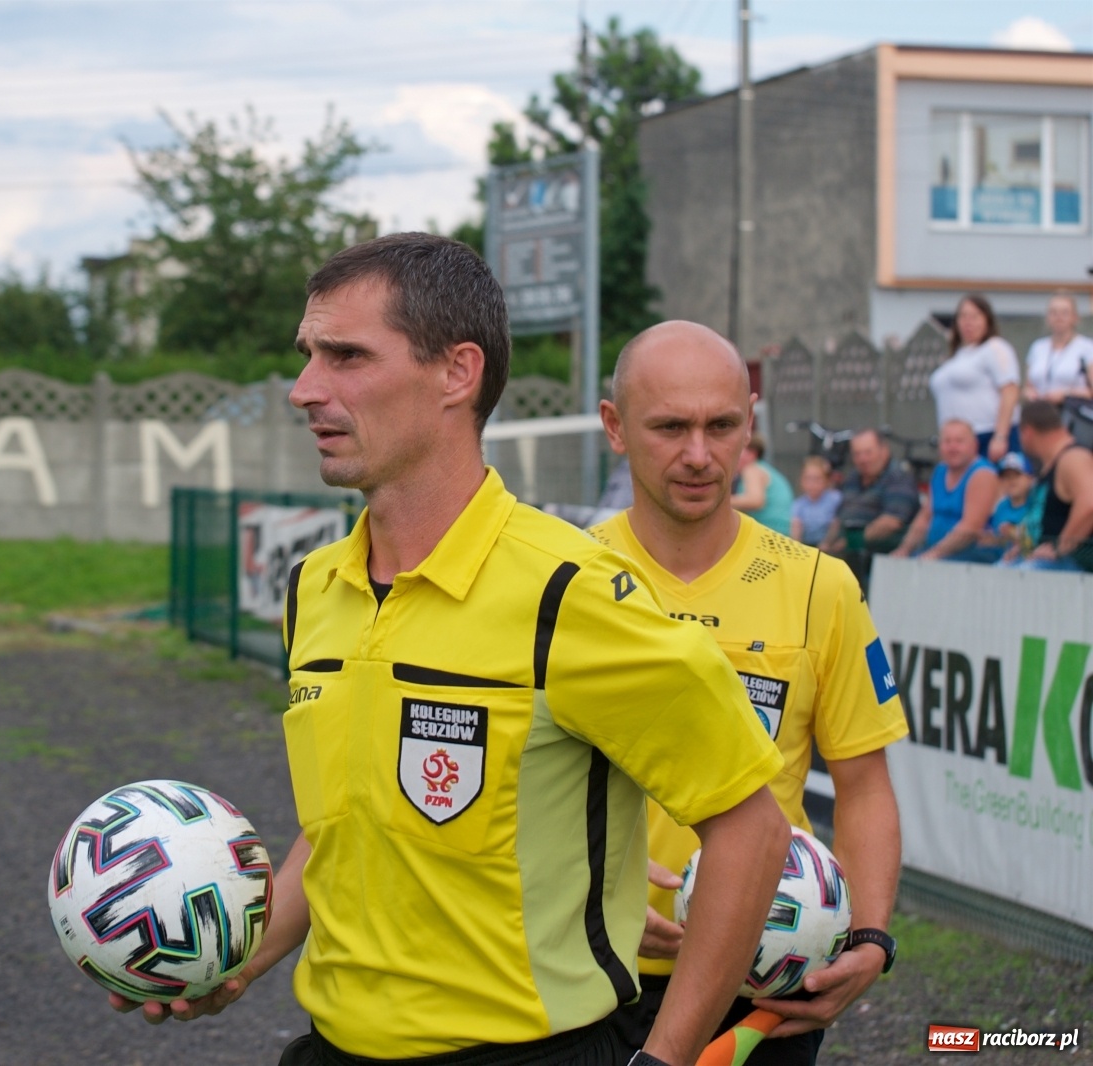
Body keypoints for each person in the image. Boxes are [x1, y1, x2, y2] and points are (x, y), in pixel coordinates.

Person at [112, 234, 793, 1066]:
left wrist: (667, 1057)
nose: (305, 389)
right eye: (308, 356)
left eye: (346, 356)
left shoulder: (568, 592)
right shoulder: (315, 589)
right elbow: (337, 831)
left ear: (457, 373)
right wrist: (239, 962)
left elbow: (752, 831)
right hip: (332, 1049)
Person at [590, 321, 908, 1066]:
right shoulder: (565, 577)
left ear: (750, 424)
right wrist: (582, 895)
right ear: (616, 427)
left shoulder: (820, 587)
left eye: (722, 426)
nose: (700, 455)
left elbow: (864, 785)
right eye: (670, 427)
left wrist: (870, 937)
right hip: (590, 974)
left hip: (762, 988)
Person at [819, 430, 921, 587]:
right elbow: (840, 517)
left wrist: (848, 543)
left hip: (879, 562)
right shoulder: (853, 478)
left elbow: (891, 522)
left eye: (868, 452)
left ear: (884, 451)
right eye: (857, 454)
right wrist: (826, 544)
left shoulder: (898, 478)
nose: (862, 459)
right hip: (844, 555)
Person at [929, 293, 1019, 465]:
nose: (968, 322)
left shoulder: (994, 347)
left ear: (987, 320)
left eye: (975, 317)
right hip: (956, 441)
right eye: (963, 316)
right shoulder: (958, 356)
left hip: (986, 434)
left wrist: (1000, 436)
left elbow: (1009, 390)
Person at [891, 421, 999, 563]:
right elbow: (925, 517)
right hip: (937, 551)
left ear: (974, 445)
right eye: (947, 441)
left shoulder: (982, 474)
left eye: (959, 441)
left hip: (972, 553)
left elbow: (971, 527)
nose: (952, 447)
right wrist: (904, 549)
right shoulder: (940, 470)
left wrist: (935, 553)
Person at [1012, 400, 1093, 572]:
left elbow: (1089, 504)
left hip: (1074, 565)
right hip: (1042, 560)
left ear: (1027, 432)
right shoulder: (1050, 463)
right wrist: (1022, 549)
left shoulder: (1073, 458)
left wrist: (1060, 548)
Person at [1022, 292, 1093, 407]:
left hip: (1072, 411)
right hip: (1042, 410)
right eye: (1053, 313)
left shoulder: (1087, 347)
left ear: (1075, 317)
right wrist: (1031, 394)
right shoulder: (1038, 347)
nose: (1058, 318)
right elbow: (1028, 386)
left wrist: (1065, 395)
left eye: (1064, 313)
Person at [729, 434, 793, 535]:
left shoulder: (752, 469)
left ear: (752, 454)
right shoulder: (765, 469)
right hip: (782, 531)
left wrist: (722, 502)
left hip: (770, 531)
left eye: (738, 450)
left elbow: (755, 501)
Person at [978, 452, 1033, 562]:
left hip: (1026, 559)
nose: (1011, 480)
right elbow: (1000, 541)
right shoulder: (1001, 506)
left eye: (1017, 475)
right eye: (1006, 477)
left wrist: (1012, 533)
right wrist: (991, 539)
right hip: (1001, 559)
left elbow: (1035, 539)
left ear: (1030, 478)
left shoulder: (1035, 504)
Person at [789, 456, 841, 548]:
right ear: (801, 481)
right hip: (806, 545)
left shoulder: (835, 499)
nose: (812, 484)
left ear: (827, 481)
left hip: (829, 545)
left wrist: (827, 543)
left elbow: (836, 525)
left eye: (817, 479)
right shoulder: (798, 504)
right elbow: (796, 530)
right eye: (808, 479)